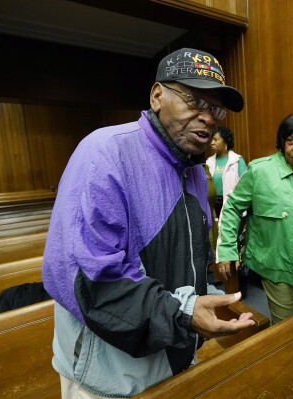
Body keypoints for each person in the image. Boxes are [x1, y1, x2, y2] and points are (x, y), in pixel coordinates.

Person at [42, 47, 256, 398]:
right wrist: (184, 313)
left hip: (171, 348)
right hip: (109, 372)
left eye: (215, 109)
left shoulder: (194, 170)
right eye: (194, 101)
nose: (208, 118)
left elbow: (189, 261)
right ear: (158, 96)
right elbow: (94, 282)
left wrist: (205, 301)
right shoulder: (106, 152)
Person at [216, 111, 293, 324]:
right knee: (288, 327)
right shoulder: (260, 170)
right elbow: (232, 207)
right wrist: (227, 249)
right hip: (278, 267)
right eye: (291, 141)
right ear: (282, 141)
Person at [206, 125, 247, 217]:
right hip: (213, 207)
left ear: (225, 141)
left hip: (232, 206)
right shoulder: (208, 162)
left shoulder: (237, 160)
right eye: (211, 139)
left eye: (215, 140)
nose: (212, 143)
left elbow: (245, 186)